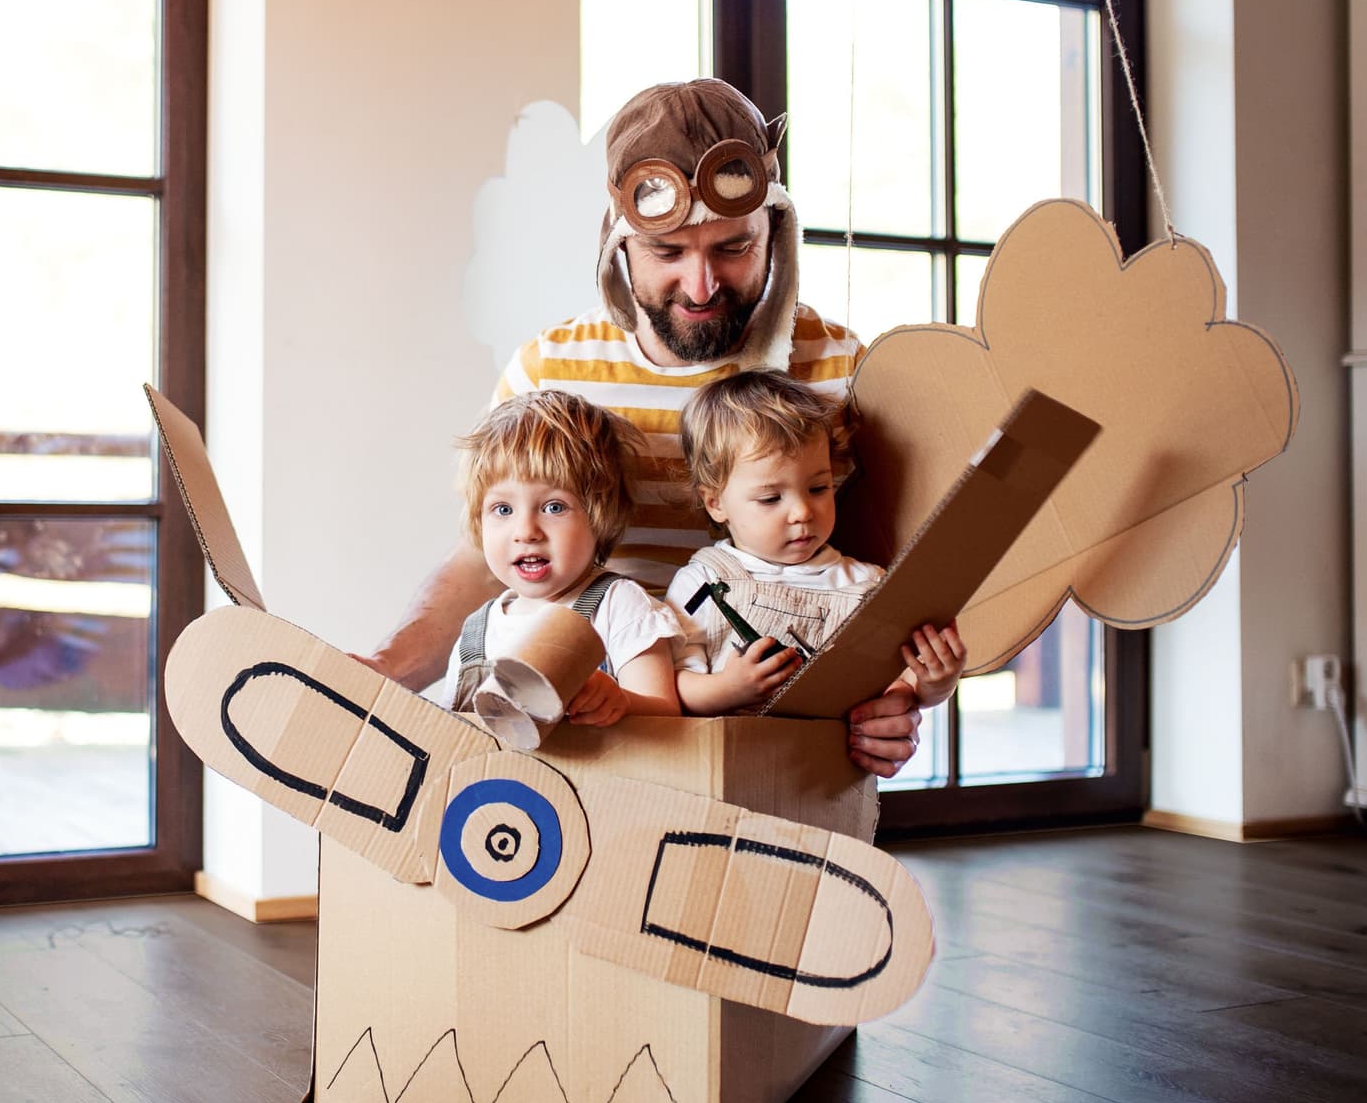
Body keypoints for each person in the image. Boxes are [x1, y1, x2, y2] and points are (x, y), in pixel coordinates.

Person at [361, 77, 923, 776]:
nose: (701, 285)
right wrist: (382, 671)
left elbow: (884, 580)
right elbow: (486, 559)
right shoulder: (550, 368)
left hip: (778, 743)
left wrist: (894, 703)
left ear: (774, 229)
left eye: (732, 248)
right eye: (668, 253)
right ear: (619, 242)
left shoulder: (840, 365)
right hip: (593, 735)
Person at [668, 369, 966, 715]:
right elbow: (675, 684)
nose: (802, 512)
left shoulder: (869, 586)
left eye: (818, 489)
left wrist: (935, 683)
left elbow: (898, 686)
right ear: (715, 502)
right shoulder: (702, 581)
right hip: (733, 761)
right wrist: (729, 689)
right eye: (770, 498)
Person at [442, 391, 684, 727]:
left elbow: (668, 713)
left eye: (553, 507)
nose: (526, 531)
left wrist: (621, 701)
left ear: (598, 516)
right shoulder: (475, 634)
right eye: (503, 509)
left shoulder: (619, 605)